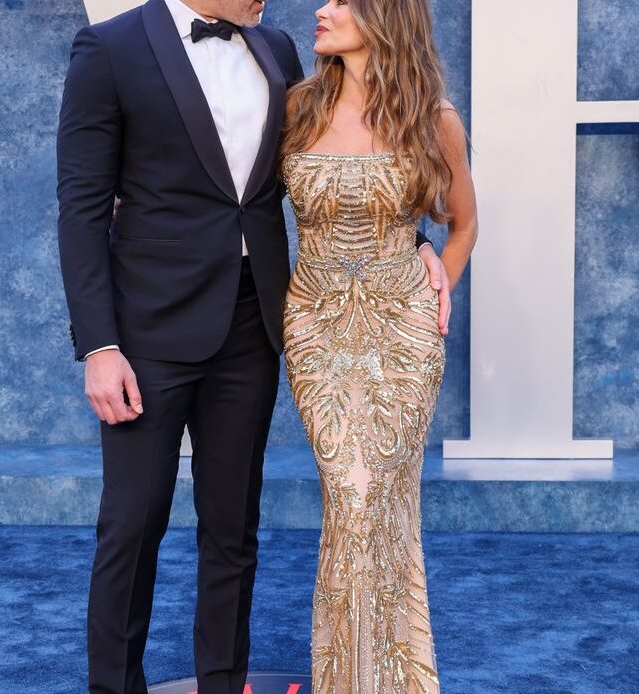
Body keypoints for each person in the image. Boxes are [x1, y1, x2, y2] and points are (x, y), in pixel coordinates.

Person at [57, 0, 449, 692]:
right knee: (133, 523)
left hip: (254, 326)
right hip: (147, 333)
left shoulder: (279, 51)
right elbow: (82, 209)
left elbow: (322, 176)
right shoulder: (109, 50)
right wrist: (100, 346)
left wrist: (410, 241)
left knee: (234, 528)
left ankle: (222, 681)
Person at [279, 0, 478, 691]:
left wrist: (438, 285)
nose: (321, 10)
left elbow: (463, 226)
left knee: (378, 501)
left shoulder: (435, 121)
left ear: (384, 17)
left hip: (402, 334)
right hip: (315, 327)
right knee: (350, 494)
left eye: (341, 1)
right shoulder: (298, 107)